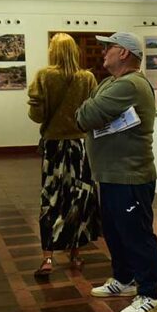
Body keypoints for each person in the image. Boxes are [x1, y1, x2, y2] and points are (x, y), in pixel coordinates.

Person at [75, 32, 157, 312]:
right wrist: (90, 108)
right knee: (115, 232)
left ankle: (150, 294)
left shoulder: (129, 85)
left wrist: (89, 109)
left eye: (108, 47)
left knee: (136, 235)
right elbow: (88, 110)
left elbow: (84, 116)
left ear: (124, 52)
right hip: (112, 174)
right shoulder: (110, 83)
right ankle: (124, 279)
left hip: (130, 175)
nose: (103, 52)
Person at [26, 33, 100, 275]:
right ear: (74, 51)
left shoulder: (44, 76)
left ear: (53, 51)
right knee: (79, 198)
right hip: (80, 147)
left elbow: (36, 116)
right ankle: (75, 253)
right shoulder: (87, 78)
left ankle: (47, 257)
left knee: (51, 198)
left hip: (54, 147)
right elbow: (93, 113)